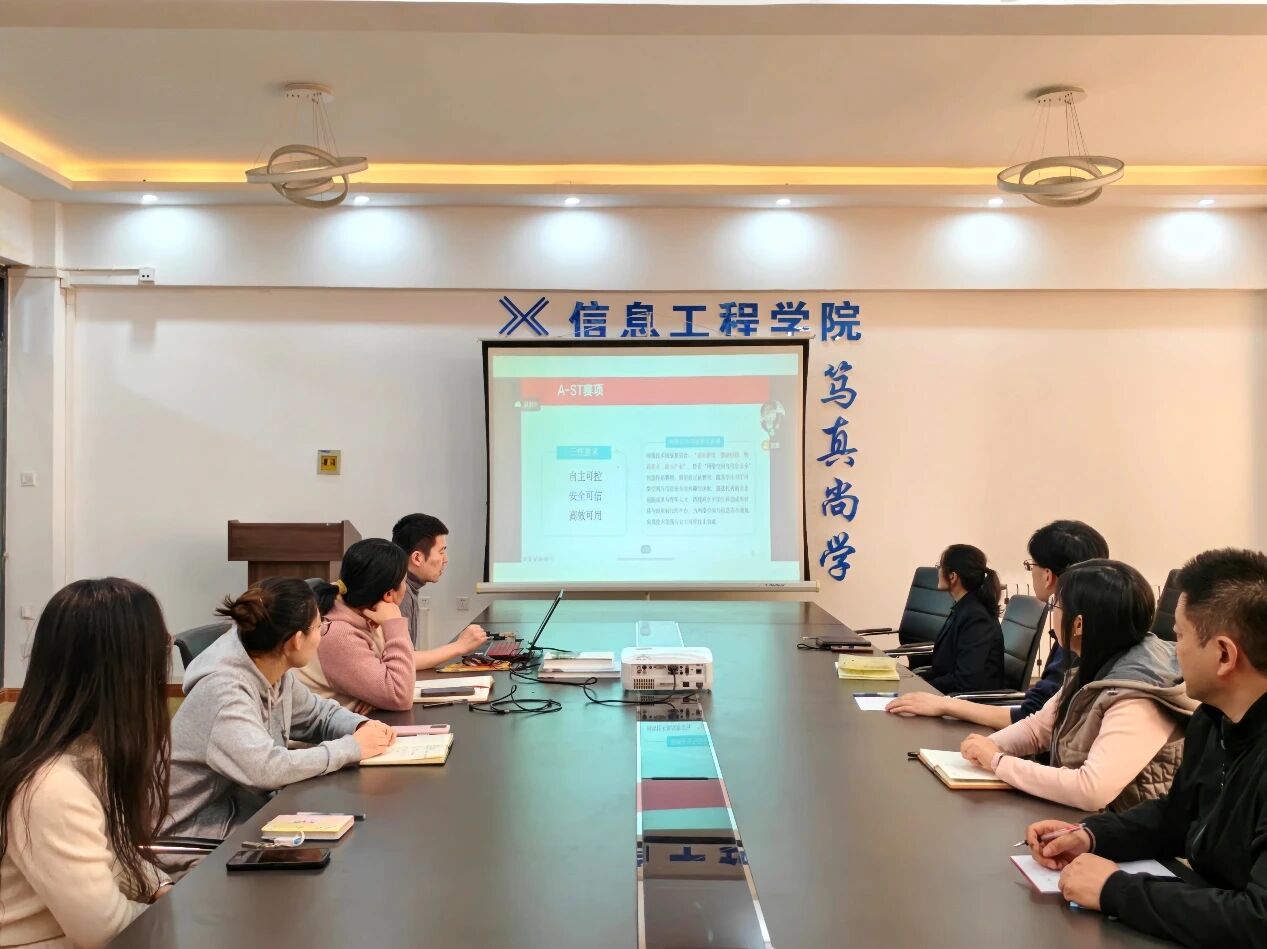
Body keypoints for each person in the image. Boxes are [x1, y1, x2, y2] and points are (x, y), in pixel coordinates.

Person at [1024, 548, 1267, 946]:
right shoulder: (1213, 719)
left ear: (1223, 654)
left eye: (1180, 636)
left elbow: (1257, 921)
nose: (1172, 649)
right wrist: (1090, 835)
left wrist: (1115, 890)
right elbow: (1176, 816)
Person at [0, 579, 173, 947]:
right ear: (126, 671)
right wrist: (181, 918)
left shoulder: (88, 753)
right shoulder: (51, 787)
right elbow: (105, 930)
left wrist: (161, 887)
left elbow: (114, 855)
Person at [165, 577, 394, 839]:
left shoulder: (272, 667)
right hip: (193, 833)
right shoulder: (224, 692)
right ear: (296, 640)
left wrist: (362, 727)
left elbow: (318, 716)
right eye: (320, 626)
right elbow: (266, 768)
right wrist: (351, 748)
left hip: (248, 812)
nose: (321, 634)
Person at [961, 559, 1195, 811]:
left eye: (1056, 605)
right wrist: (988, 746)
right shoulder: (1099, 660)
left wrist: (997, 761)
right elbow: (1038, 729)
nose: (1052, 612)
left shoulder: (1139, 693)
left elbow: (1091, 790)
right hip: (1081, 820)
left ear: (1079, 624)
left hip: (1117, 829)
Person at [887, 520, 1109, 727]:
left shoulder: (1075, 640)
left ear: (1048, 575)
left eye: (1032, 565)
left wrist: (946, 705)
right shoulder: (1101, 629)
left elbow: (1034, 717)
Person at [299, 538, 487, 713]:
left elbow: (401, 664)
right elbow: (400, 695)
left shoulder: (362, 607)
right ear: (389, 594)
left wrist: (377, 695)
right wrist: (394, 623)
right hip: (328, 735)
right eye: (404, 581)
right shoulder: (338, 633)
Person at [909, 544, 1006, 694]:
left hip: (968, 700)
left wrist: (924, 687)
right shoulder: (964, 607)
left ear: (953, 577)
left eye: (940, 566)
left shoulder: (976, 617)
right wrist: (917, 680)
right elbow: (945, 668)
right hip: (951, 694)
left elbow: (966, 680)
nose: (938, 571)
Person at [391, 512, 489, 649]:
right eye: (441, 552)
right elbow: (406, 658)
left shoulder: (406, 587)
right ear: (417, 558)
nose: (445, 559)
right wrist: (460, 646)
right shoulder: (400, 594)